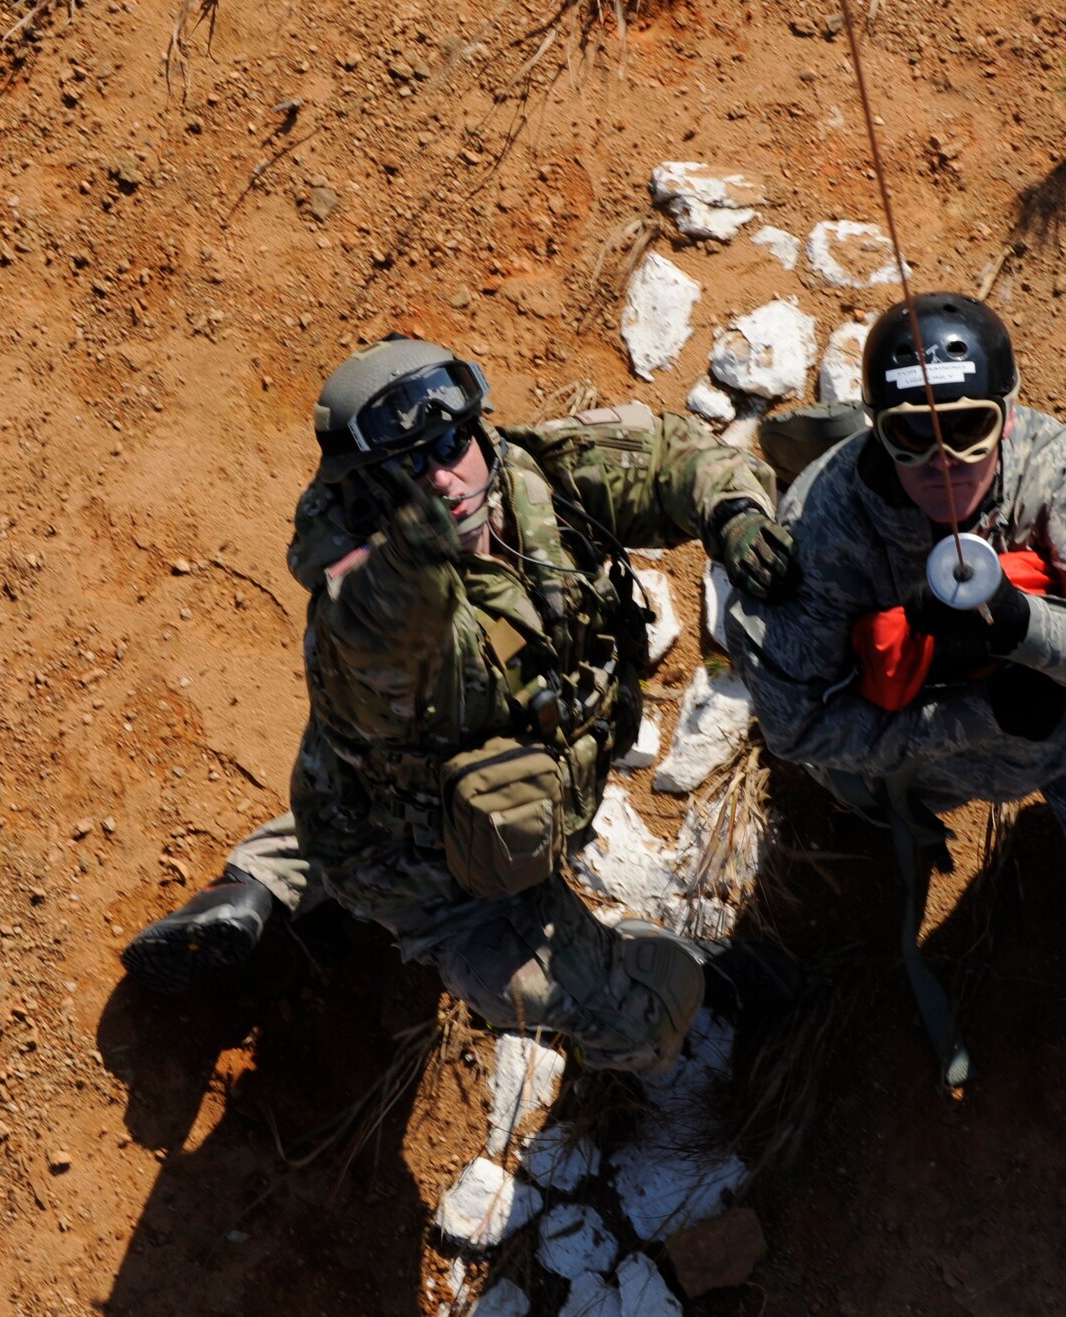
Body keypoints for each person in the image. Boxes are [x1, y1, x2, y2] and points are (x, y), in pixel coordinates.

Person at [120, 337, 796, 1074]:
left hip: (390, 792)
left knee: (369, 803)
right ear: (367, 492)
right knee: (641, 1021)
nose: (443, 477)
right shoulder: (370, 615)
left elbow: (670, 457)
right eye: (407, 467)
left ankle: (256, 883)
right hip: (439, 875)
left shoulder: (529, 476)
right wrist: (410, 566)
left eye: (449, 442)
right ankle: (685, 972)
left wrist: (732, 511)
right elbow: (390, 638)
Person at [727, 292, 1066, 961]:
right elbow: (798, 726)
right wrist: (981, 711)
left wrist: (1024, 624)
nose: (943, 462)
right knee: (838, 783)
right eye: (911, 434)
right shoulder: (821, 528)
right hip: (925, 751)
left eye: (967, 427)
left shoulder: (1057, 467)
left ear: (1008, 414)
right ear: (878, 427)